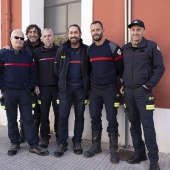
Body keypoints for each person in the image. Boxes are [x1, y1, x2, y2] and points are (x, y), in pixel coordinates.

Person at [120, 19, 165, 170]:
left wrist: (148, 85)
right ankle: (140, 153)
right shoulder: (125, 48)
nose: (135, 32)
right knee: (134, 126)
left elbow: (160, 68)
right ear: (130, 32)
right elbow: (121, 69)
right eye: (133, 30)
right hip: (129, 93)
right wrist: (122, 84)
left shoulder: (151, 46)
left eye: (138, 29)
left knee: (148, 126)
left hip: (143, 93)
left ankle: (154, 160)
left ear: (143, 31)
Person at [0, 29, 49, 156]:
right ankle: (14, 143)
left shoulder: (28, 56)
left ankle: (33, 145)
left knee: (28, 119)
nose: (19, 40)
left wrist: (31, 88)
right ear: (11, 39)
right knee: (11, 119)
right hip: (9, 92)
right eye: (17, 38)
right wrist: (3, 89)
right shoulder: (3, 54)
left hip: (25, 93)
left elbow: (33, 73)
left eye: (22, 39)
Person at [84, 21, 123, 164]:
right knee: (95, 117)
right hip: (94, 89)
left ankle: (113, 149)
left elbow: (120, 68)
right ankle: (96, 146)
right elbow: (89, 70)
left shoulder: (113, 47)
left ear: (103, 30)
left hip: (110, 89)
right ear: (90, 32)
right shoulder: (89, 50)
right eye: (93, 30)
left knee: (112, 119)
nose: (95, 32)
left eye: (98, 29)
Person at [53, 24, 89, 157]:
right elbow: (56, 68)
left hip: (80, 89)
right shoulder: (62, 49)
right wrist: (63, 80)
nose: (73, 35)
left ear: (80, 34)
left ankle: (77, 142)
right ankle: (62, 143)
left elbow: (89, 69)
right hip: (65, 89)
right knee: (63, 116)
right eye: (71, 32)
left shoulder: (86, 50)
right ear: (68, 35)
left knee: (79, 116)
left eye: (76, 32)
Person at [34, 28, 59, 148]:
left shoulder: (59, 50)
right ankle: (45, 138)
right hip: (43, 89)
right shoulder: (37, 52)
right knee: (44, 114)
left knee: (59, 114)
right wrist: (36, 85)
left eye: (49, 35)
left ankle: (60, 137)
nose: (47, 38)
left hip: (58, 88)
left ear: (53, 37)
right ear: (42, 39)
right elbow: (34, 70)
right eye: (45, 36)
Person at [19, 24, 43, 143]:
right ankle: (22, 134)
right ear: (27, 34)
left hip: (40, 84)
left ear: (39, 34)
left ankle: (35, 133)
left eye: (35, 32)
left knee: (37, 111)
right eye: (30, 32)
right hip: (25, 84)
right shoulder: (22, 45)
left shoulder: (44, 46)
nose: (32, 34)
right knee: (25, 109)